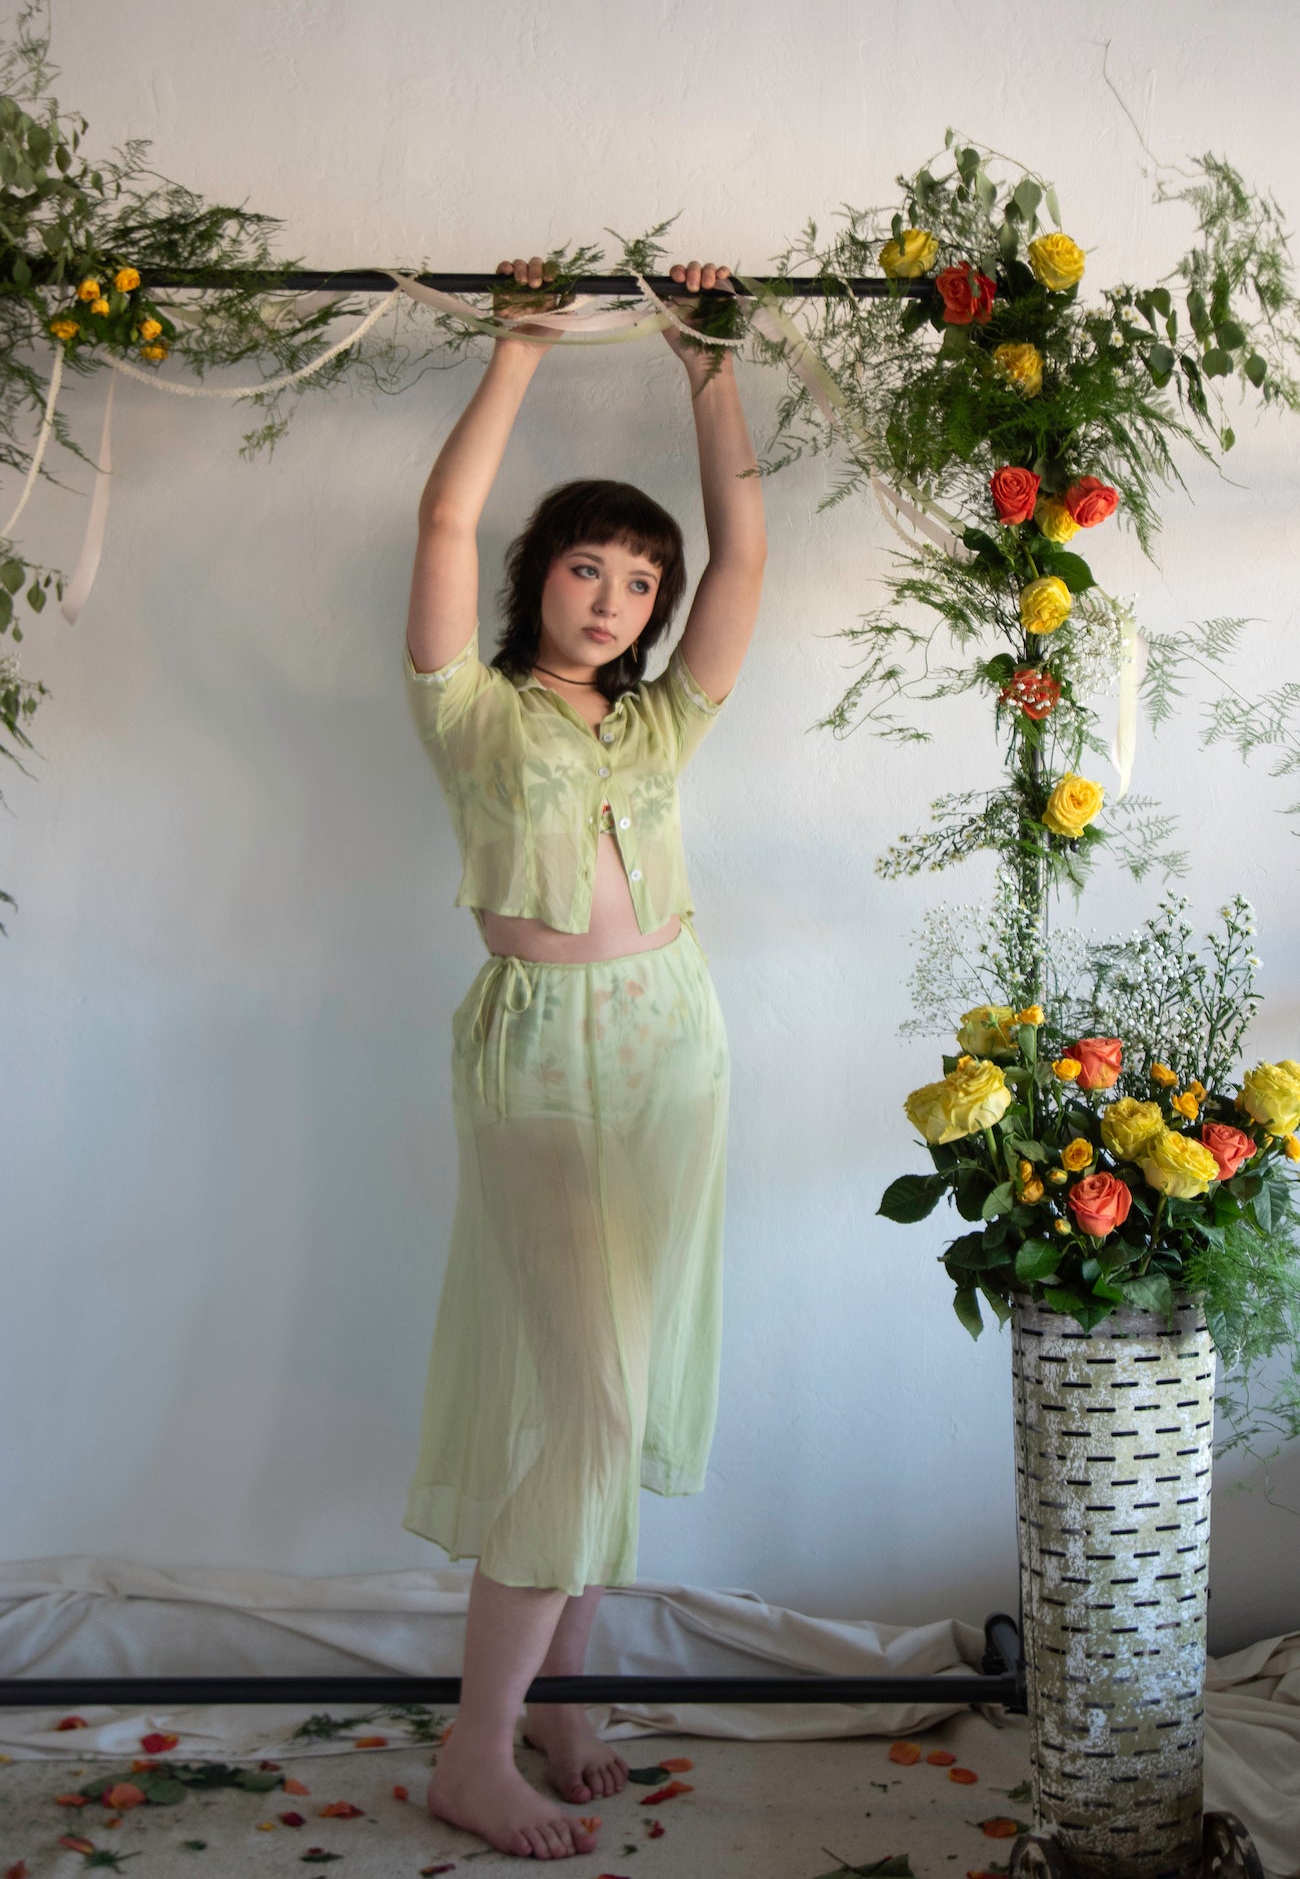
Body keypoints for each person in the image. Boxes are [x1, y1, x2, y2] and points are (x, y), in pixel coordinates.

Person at [402, 252, 766, 1860]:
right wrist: (520, 351)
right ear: (538, 576)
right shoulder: (473, 713)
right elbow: (440, 524)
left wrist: (708, 361)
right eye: (586, 566)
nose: (612, 597)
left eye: (637, 580)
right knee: (590, 1395)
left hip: (676, 1041)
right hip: (541, 1055)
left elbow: (746, 549)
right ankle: (473, 1749)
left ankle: (563, 1698)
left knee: (623, 1366)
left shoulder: (661, 720)